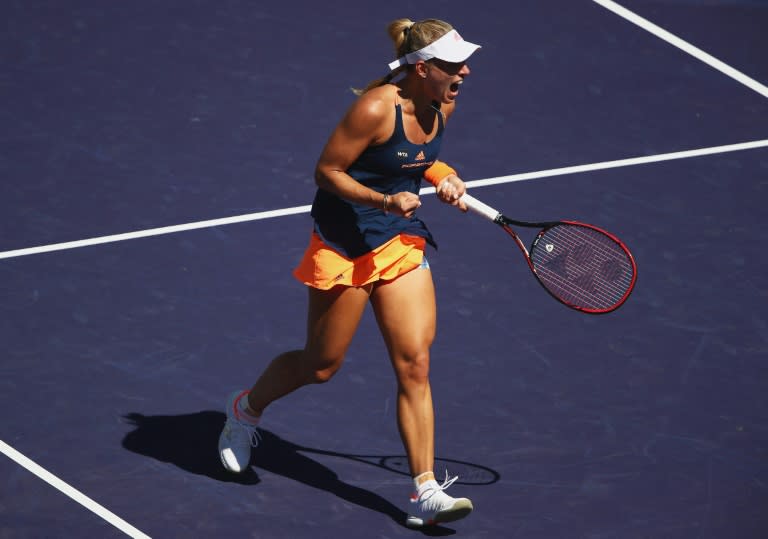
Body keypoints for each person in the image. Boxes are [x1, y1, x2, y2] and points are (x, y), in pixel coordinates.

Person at [218, 17, 481, 528]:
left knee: (415, 364)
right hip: (343, 245)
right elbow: (327, 173)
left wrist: (445, 177)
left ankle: (425, 491)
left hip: (397, 241)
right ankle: (244, 411)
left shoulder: (443, 98)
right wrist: (386, 198)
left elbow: (419, 158)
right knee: (320, 365)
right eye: (454, 65)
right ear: (423, 68)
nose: (465, 71)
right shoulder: (375, 108)